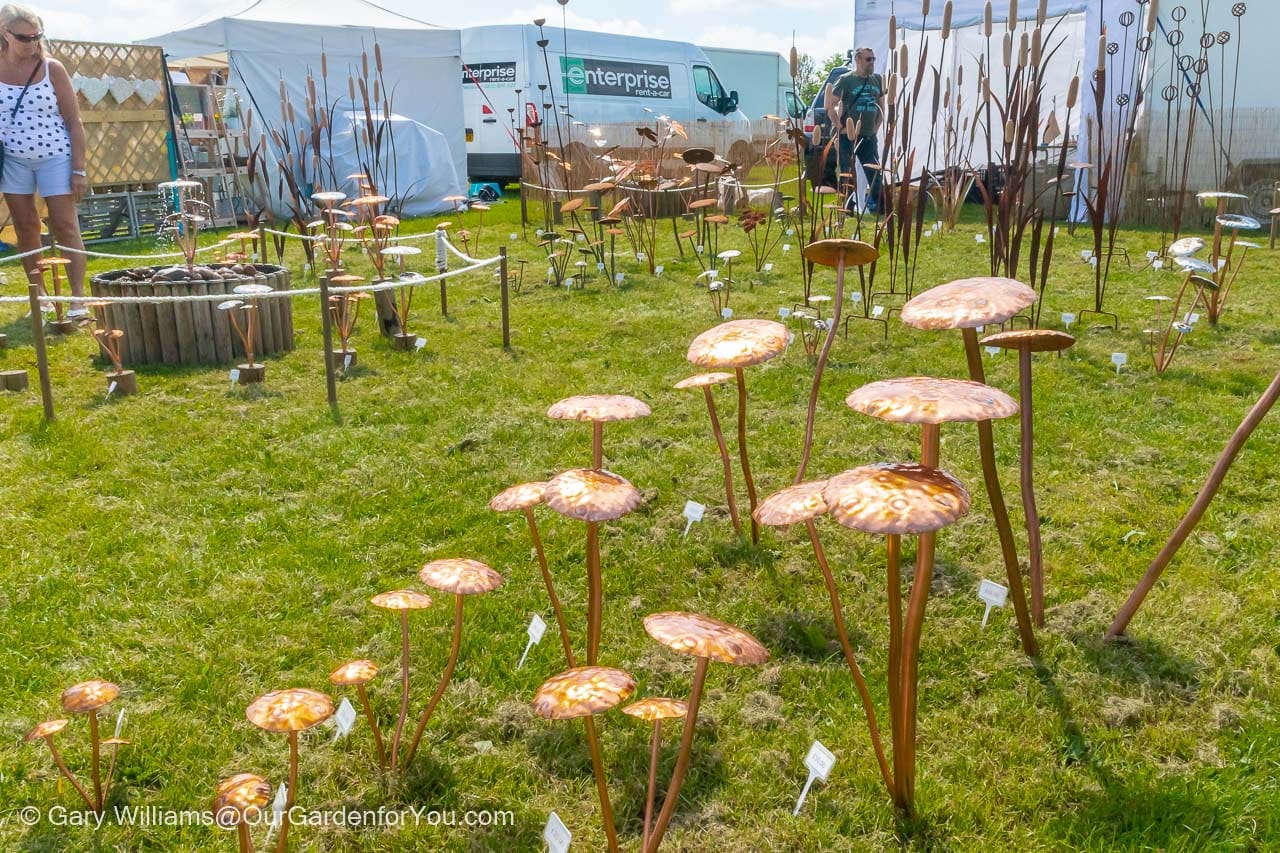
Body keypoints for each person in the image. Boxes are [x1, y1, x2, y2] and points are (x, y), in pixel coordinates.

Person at [0, 3, 88, 316]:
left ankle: (78, 298)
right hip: (13, 159)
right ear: (5, 33)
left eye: (37, 36)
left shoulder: (53, 68)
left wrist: (78, 169)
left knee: (65, 225)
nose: (32, 43)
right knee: (26, 227)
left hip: (55, 156)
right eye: (24, 37)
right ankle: (42, 297)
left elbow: (74, 121)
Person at [825, 47, 885, 213]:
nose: (872, 62)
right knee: (847, 172)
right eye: (868, 59)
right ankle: (848, 208)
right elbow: (830, 106)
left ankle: (880, 208)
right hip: (848, 136)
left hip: (868, 135)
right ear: (858, 60)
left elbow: (881, 106)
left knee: (874, 172)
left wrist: (876, 127)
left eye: (873, 59)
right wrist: (841, 127)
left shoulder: (877, 80)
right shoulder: (846, 80)